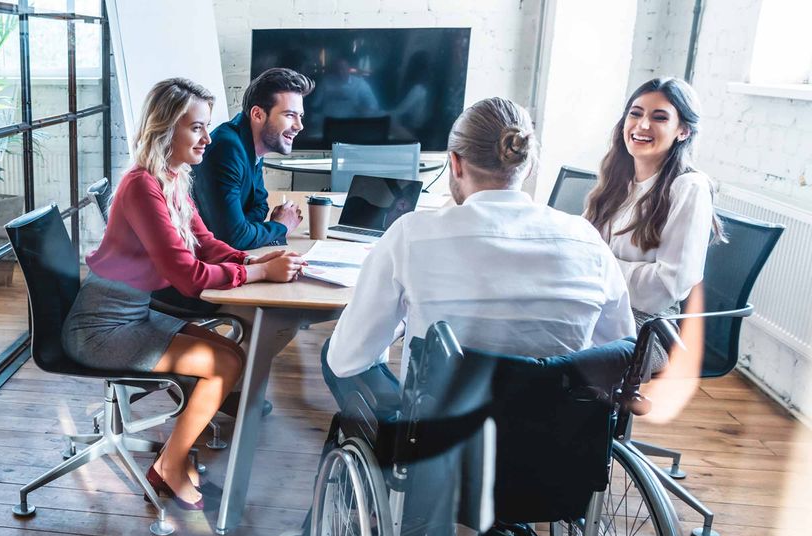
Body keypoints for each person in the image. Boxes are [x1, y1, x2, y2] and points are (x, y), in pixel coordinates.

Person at [62, 78, 304, 509]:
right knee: (221, 364)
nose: (207, 138)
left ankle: (174, 457)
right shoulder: (141, 186)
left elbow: (205, 242)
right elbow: (189, 276)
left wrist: (250, 262)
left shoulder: (172, 179)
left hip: (132, 314)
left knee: (235, 358)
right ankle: (169, 468)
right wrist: (261, 271)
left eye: (206, 127)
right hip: (104, 326)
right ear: (164, 128)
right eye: (196, 128)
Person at [326, 97, 635, 394]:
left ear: (455, 163)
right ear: (527, 167)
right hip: (558, 438)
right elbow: (620, 353)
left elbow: (347, 360)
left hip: (440, 438)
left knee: (337, 351)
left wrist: (403, 324)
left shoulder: (411, 234)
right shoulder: (586, 239)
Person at [586, 77, 722, 372]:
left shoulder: (689, 187)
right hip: (598, 307)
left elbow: (664, 288)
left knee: (553, 348)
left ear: (683, 131)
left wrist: (598, 267)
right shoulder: (617, 180)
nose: (643, 125)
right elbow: (582, 247)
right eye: (635, 113)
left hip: (647, 328)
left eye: (659, 117)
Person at [189, 67, 314, 251]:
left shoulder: (252, 143)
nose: (299, 126)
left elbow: (260, 204)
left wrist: (246, 229)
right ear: (257, 114)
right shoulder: (228, 148)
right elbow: (234, 238)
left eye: (300, 116)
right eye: (289, 115)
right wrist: (280, 227)